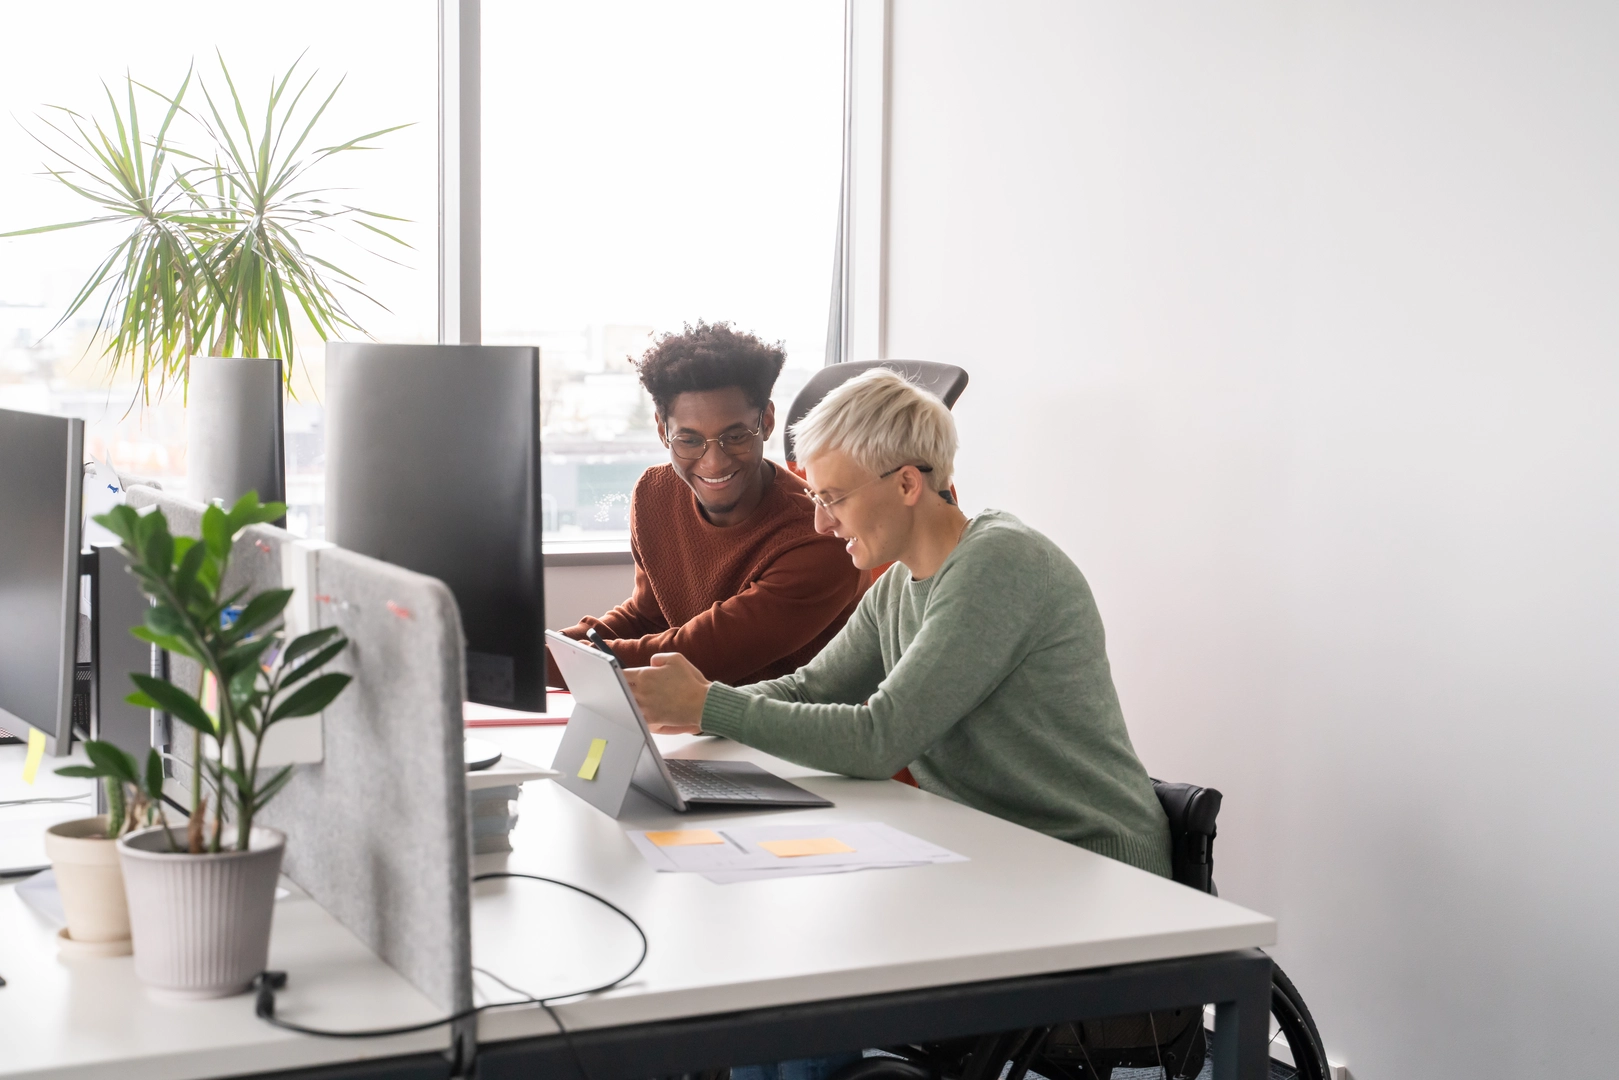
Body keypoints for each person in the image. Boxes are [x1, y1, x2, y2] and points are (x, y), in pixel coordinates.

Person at [623, 366, 1172, 875]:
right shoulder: (895, 587)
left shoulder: (1000, 563)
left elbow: (880, 737)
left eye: (833, 498)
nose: (819, 521)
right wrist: (690, 709)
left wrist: (708, 705)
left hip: (1089, 863)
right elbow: (809, 688)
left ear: (908, 484)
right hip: (997, 849)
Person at [557, 321, 865, 685]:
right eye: (689, 441)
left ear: (765, 422)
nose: (713, 463)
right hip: (690, 721)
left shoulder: (819, 538)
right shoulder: (655, 493)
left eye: (735, 436)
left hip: (778, 732)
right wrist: (548, 648)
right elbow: (648, 616)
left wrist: (541, 662)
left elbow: (699, 657)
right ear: (662, 431)